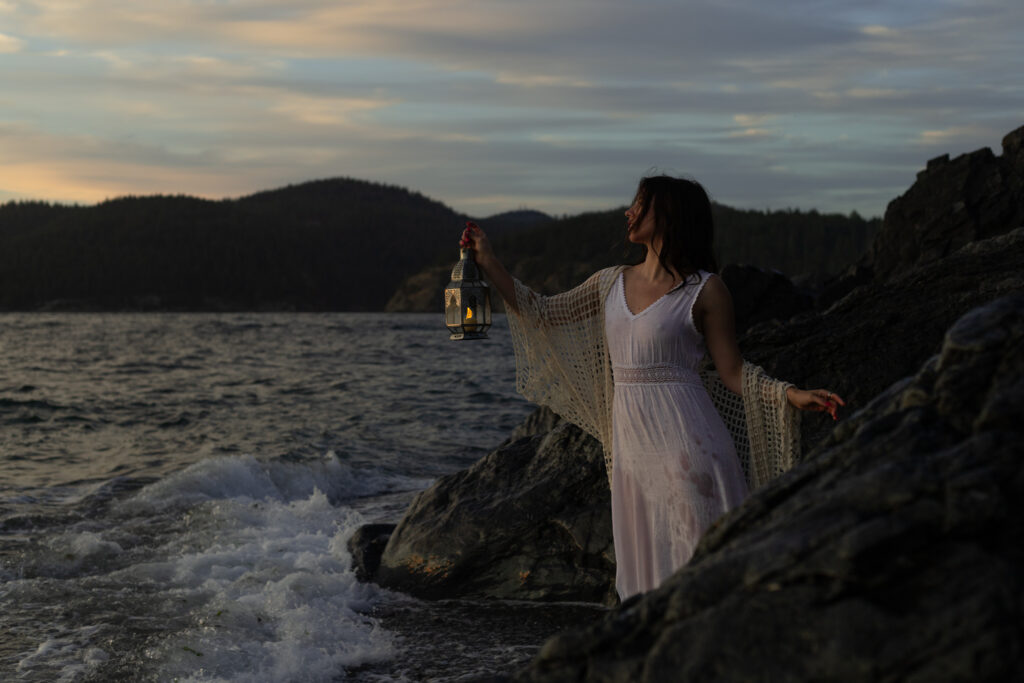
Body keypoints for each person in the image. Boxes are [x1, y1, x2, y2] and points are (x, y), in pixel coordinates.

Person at [459, 175, 845, 600]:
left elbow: (733, 371)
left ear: (669, 215)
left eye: (640, 204)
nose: (629, 211)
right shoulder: (609, 283)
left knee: (700, 580)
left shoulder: (705, 289)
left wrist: (790, 394)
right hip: (633, 464)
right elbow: (543, 314)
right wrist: (489, 262)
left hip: (691, 456)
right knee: (645, 586)